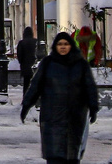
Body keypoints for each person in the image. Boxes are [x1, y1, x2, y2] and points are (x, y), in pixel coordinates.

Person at [20, 32, 99, 164]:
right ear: (55, 46)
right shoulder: (48, 63)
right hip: (52, 117)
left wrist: (93, 107)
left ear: (71, 46)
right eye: (60, 44)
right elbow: (36, 86)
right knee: (54, 155)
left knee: (72, 155)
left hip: (74, 117)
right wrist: (26, 105)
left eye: (66, 44)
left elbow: (89, 87)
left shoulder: (80, 64)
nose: (63, 47)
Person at [16, 27, 38, 94]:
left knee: (26, 83)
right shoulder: (36, 41)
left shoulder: (21, 43)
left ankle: (26, 96)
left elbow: (19, 55)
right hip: (35, 65)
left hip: (25, 66)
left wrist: (22, 63)